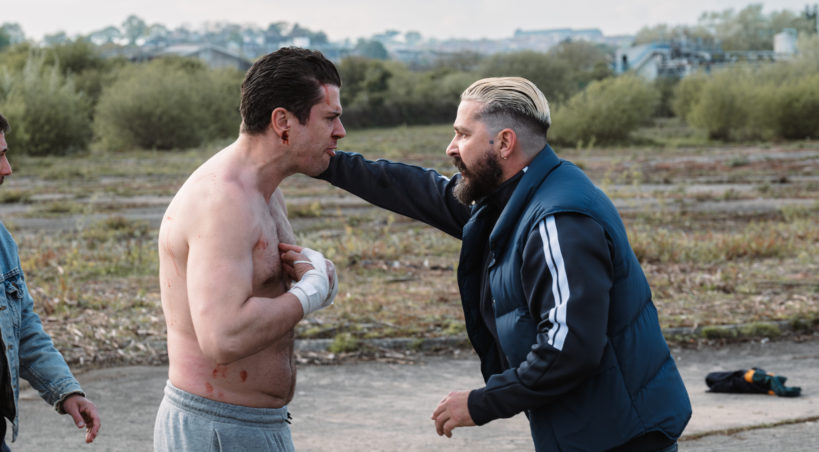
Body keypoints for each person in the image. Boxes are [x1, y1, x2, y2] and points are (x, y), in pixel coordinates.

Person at [317, 77, 691, 451]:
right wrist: (328, 165)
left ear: (505, 142)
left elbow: (569, 348)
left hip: (620, 438)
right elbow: (420, 191)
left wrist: (482, 402)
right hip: (593, 431)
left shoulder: (558, 220)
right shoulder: (512, 200)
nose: (451, 147)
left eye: (463, 134)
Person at [153, 47, 343, 452]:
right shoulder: (224, 201)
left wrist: (312, 276)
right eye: (330, 118)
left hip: (249, 424)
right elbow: (223, 337)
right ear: (283, 122)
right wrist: (309, 294)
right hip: (217, 427)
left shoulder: (263, 190)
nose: (340, 131)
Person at [0, 113, 101, 450]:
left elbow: (23, 328)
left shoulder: (1, 241)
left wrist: (66, 390)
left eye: (5, 155)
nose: (7, 169)